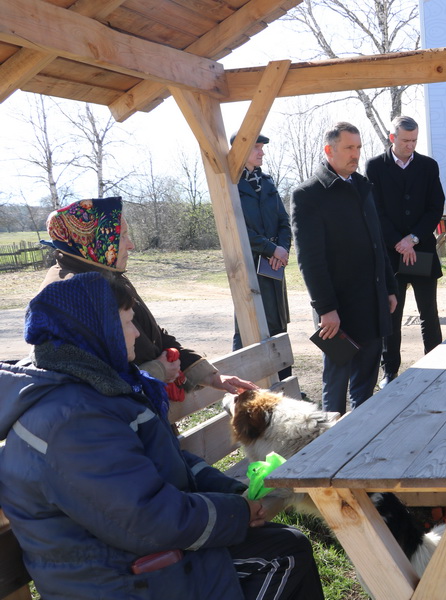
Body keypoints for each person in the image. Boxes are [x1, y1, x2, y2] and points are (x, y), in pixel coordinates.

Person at [0, 272, 324, 600]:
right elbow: (144, 521)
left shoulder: (93, 387)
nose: (137, 332)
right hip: (118, 579)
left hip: (133, 556)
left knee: (283, 542)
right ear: (99, 329)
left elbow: (168, 461)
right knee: (285, 554)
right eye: (127, 322)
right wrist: (236, 513)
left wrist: (232, 493)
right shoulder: (71, 421)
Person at [41, 197, 255, 398]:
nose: (131, 244)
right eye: (122, 236)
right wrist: (156, 371)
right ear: (95, 240)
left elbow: (152, 336)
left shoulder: (106, 274)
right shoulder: (72, 292)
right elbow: (91, 383)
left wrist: (209, 376)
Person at [291, 122, 398, 414]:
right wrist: (326, 308)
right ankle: (329, 444)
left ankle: (362, 438)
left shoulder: (363, 187)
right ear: (330, 150)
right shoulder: (308, 194)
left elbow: (378, 244)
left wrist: (389, 288)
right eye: (349, 148)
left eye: (359, 148)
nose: (356, 154)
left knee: (366, 381)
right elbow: (310, 260)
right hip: (336, 311)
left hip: (372, 302)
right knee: (336, 384)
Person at [365, 116, 446, 387]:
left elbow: (436, 207)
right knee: (392, 315)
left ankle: (435, 366)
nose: (410, 145)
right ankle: (390, 372)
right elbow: (375, 210)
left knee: (429, 314)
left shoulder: (428, 166)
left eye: (414, 141)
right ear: (392, 138)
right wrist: (398, 243)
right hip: (390, 255)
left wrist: (412, 239)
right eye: (405, 140)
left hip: (421, 249)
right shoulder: (375, 166)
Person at [231, 133, 293, 381]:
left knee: (278, 325)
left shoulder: (267, 182)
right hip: (249, 268)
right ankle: (243, 390)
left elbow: (283, 222)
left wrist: (282, 249)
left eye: (262, 147)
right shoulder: (231, 184)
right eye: (256, 147)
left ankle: (284, 385)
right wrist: (270, 248)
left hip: (274, 267)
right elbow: (236, 230)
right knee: (248, 329)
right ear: (241, 150)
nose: (262, 152)